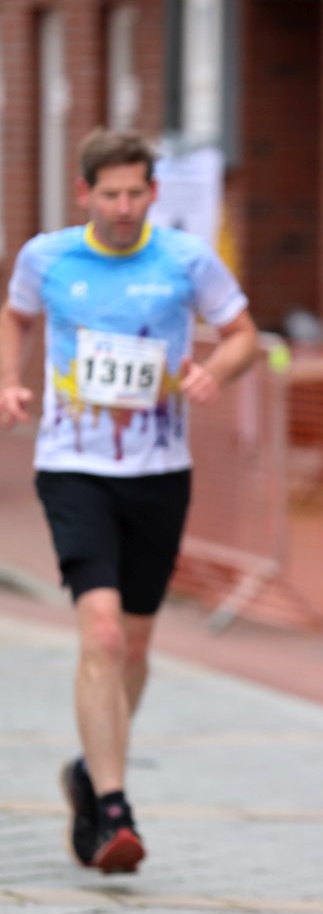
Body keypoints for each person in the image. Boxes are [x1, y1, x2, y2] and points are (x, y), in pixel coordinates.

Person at [0, 128, 258, 875]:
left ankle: (91, 769)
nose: (122, 207)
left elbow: (241, 333)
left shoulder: (185, 259)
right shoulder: (47, 257)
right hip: (73, 466)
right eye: (109, 194)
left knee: (136, 646)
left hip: (160, 472)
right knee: (104, 634)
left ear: (153, 193)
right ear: (84, 193)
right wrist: (10, 380)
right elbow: (15, 315)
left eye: (134, 193)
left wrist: (216, 371)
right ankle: (114, 807)